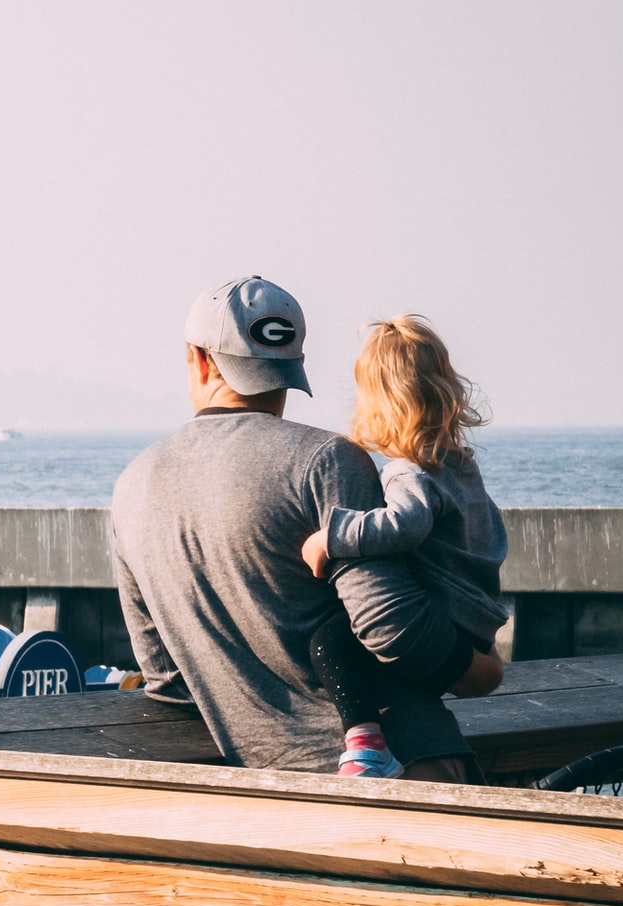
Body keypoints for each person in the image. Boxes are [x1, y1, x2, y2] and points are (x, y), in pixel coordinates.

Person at [109, 277, 503, 779]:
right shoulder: (327, 458)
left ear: (199, 359)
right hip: (406, 768)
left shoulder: (132, 484)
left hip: (267, 787)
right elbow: (390, 627)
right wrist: (483, 672)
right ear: (291, 364)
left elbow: (167, 679)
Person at [298, 316, 509, 777]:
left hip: (443, 628)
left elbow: (403, 525)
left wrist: (333, 536)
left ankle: (367, 745)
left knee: (330, 642)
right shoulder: (460, 466)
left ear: (378, 403)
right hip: (475, 626)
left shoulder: (407, 471)